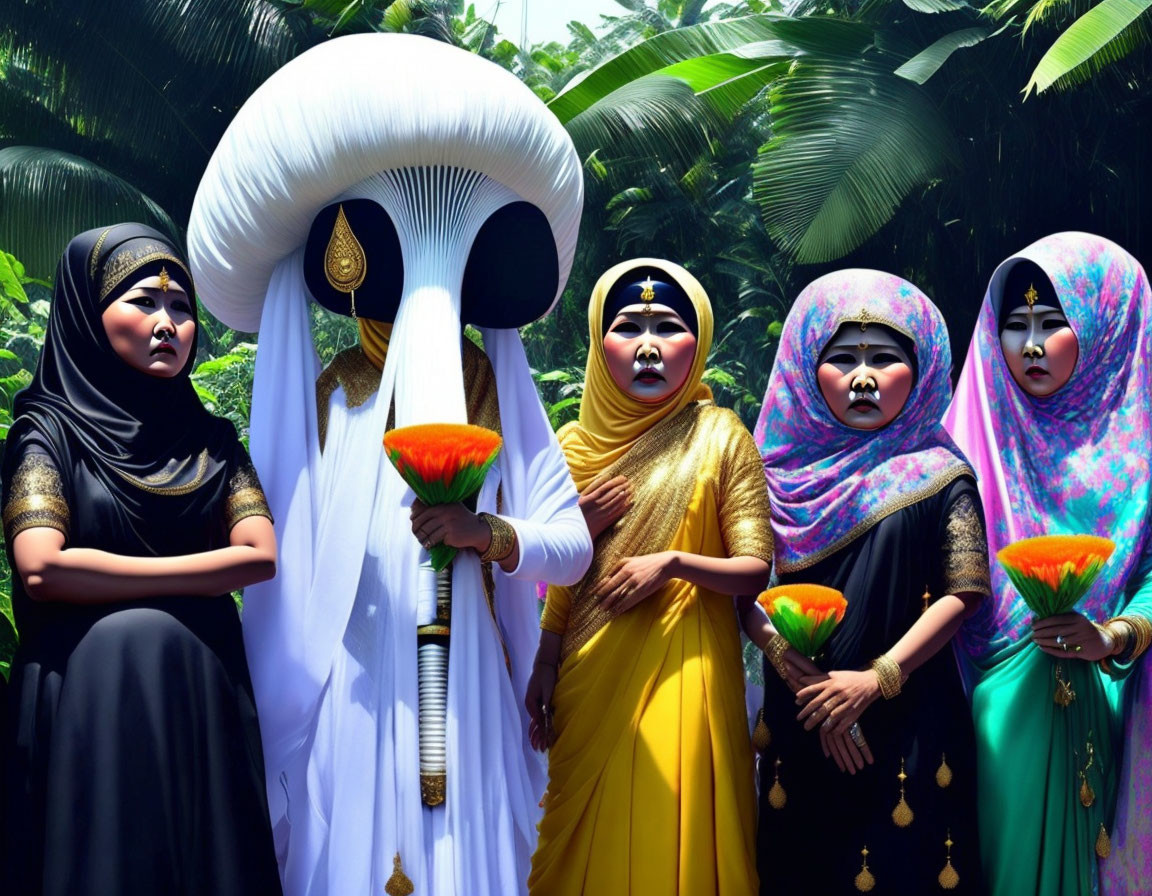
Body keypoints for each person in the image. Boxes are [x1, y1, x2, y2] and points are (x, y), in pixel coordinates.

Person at [186, 34, 592, 896]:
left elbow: (572, 545)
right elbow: (296, 541)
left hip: (466, 654)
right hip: (358, 657)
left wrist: (489, 532)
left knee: (461, 825)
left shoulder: (485, 379)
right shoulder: (336, 389)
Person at [0, 224, 281, 895]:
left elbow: (261, 555)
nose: (167, 324)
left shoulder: (213, 443)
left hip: (195, 697)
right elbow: (40, 567)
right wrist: (196, 581)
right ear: (85, 317)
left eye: (181, 308)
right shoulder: (44, 431)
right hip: (88, 702)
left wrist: (100, 577)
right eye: (142, 303)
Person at [526, 259, 772, 895]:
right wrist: (546, 659)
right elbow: (563, 574)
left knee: (673, 837)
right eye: (628, 325)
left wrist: (674, 564)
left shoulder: (720, 435)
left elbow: (755, 565)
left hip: (686, 669)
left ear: (700, 343)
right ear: (597, 342)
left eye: (668, 326)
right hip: (585, 673)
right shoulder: (573, 447)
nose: (648, 345)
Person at [749, 270, 988, 895]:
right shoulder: (772, 475)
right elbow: (744, 588)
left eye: (884, 359)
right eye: (842, 359)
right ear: (805, 368)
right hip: (802, 709)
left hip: (907, 715)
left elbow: (964, 592)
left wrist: (874, 680)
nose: (862, 377)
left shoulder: (941, 473)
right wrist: (786, 658)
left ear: (923, 369)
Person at [944, 233, 1152, 896]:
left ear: (1107, 325)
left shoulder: (1141, 449)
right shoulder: (963, 441)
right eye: (1016, 326)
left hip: (1118, 695)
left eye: (1052, 324)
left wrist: (1113, 637)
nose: (1030, 346)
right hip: (990, 697)